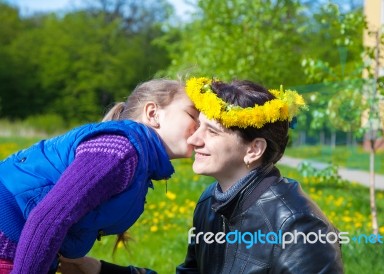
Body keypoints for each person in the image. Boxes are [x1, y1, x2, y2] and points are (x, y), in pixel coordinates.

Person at [58, 77, 344, 274]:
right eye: (198, 126)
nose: (194, 140)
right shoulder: (210, 202)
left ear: (254, 149)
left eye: (212, 132)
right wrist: (97, 269)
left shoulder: (297, 224)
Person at [0, 78, 199, 274]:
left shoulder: (138, 160)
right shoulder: (120, 150)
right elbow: (47, 219)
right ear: (153, 113)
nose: (200, 127)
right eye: (192, 115)